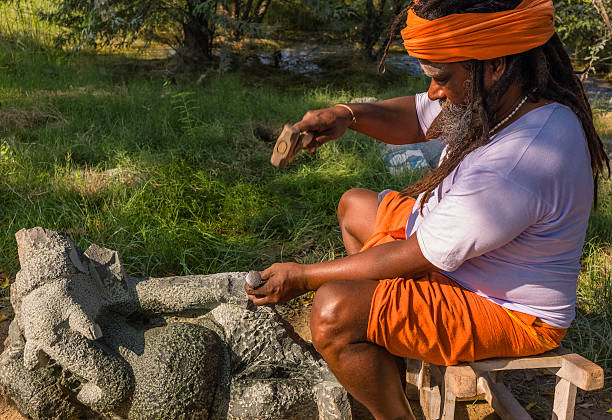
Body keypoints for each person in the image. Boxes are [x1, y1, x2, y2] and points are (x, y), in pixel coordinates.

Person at [244, 0, 610, 418]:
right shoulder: (502, 96)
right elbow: (417, 117)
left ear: (496, 64)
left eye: (441, 78)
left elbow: (416, 253)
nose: (435, 91)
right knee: (354, 206)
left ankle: (391, 409)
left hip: (505, 310)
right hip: (453, 259)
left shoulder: (522, 157)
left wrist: (304, 276)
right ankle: (379, 345)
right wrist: (347, 115)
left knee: (331, 310)